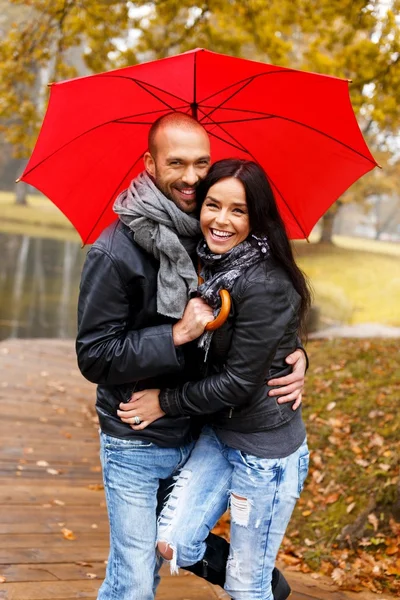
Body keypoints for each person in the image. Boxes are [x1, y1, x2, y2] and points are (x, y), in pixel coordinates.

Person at [76, 113, 308, 600]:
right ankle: (248, 574)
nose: (191, 176)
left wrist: (294, 356)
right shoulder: (115, 252)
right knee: (135, 579)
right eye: (175, 162)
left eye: (201, 162)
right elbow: (94, 356)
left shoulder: (212, 236)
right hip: (139, 435)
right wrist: (177, 334)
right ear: (149, 163)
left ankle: (250, 574)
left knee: (172, 545)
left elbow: (259, 311)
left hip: (202, 430)